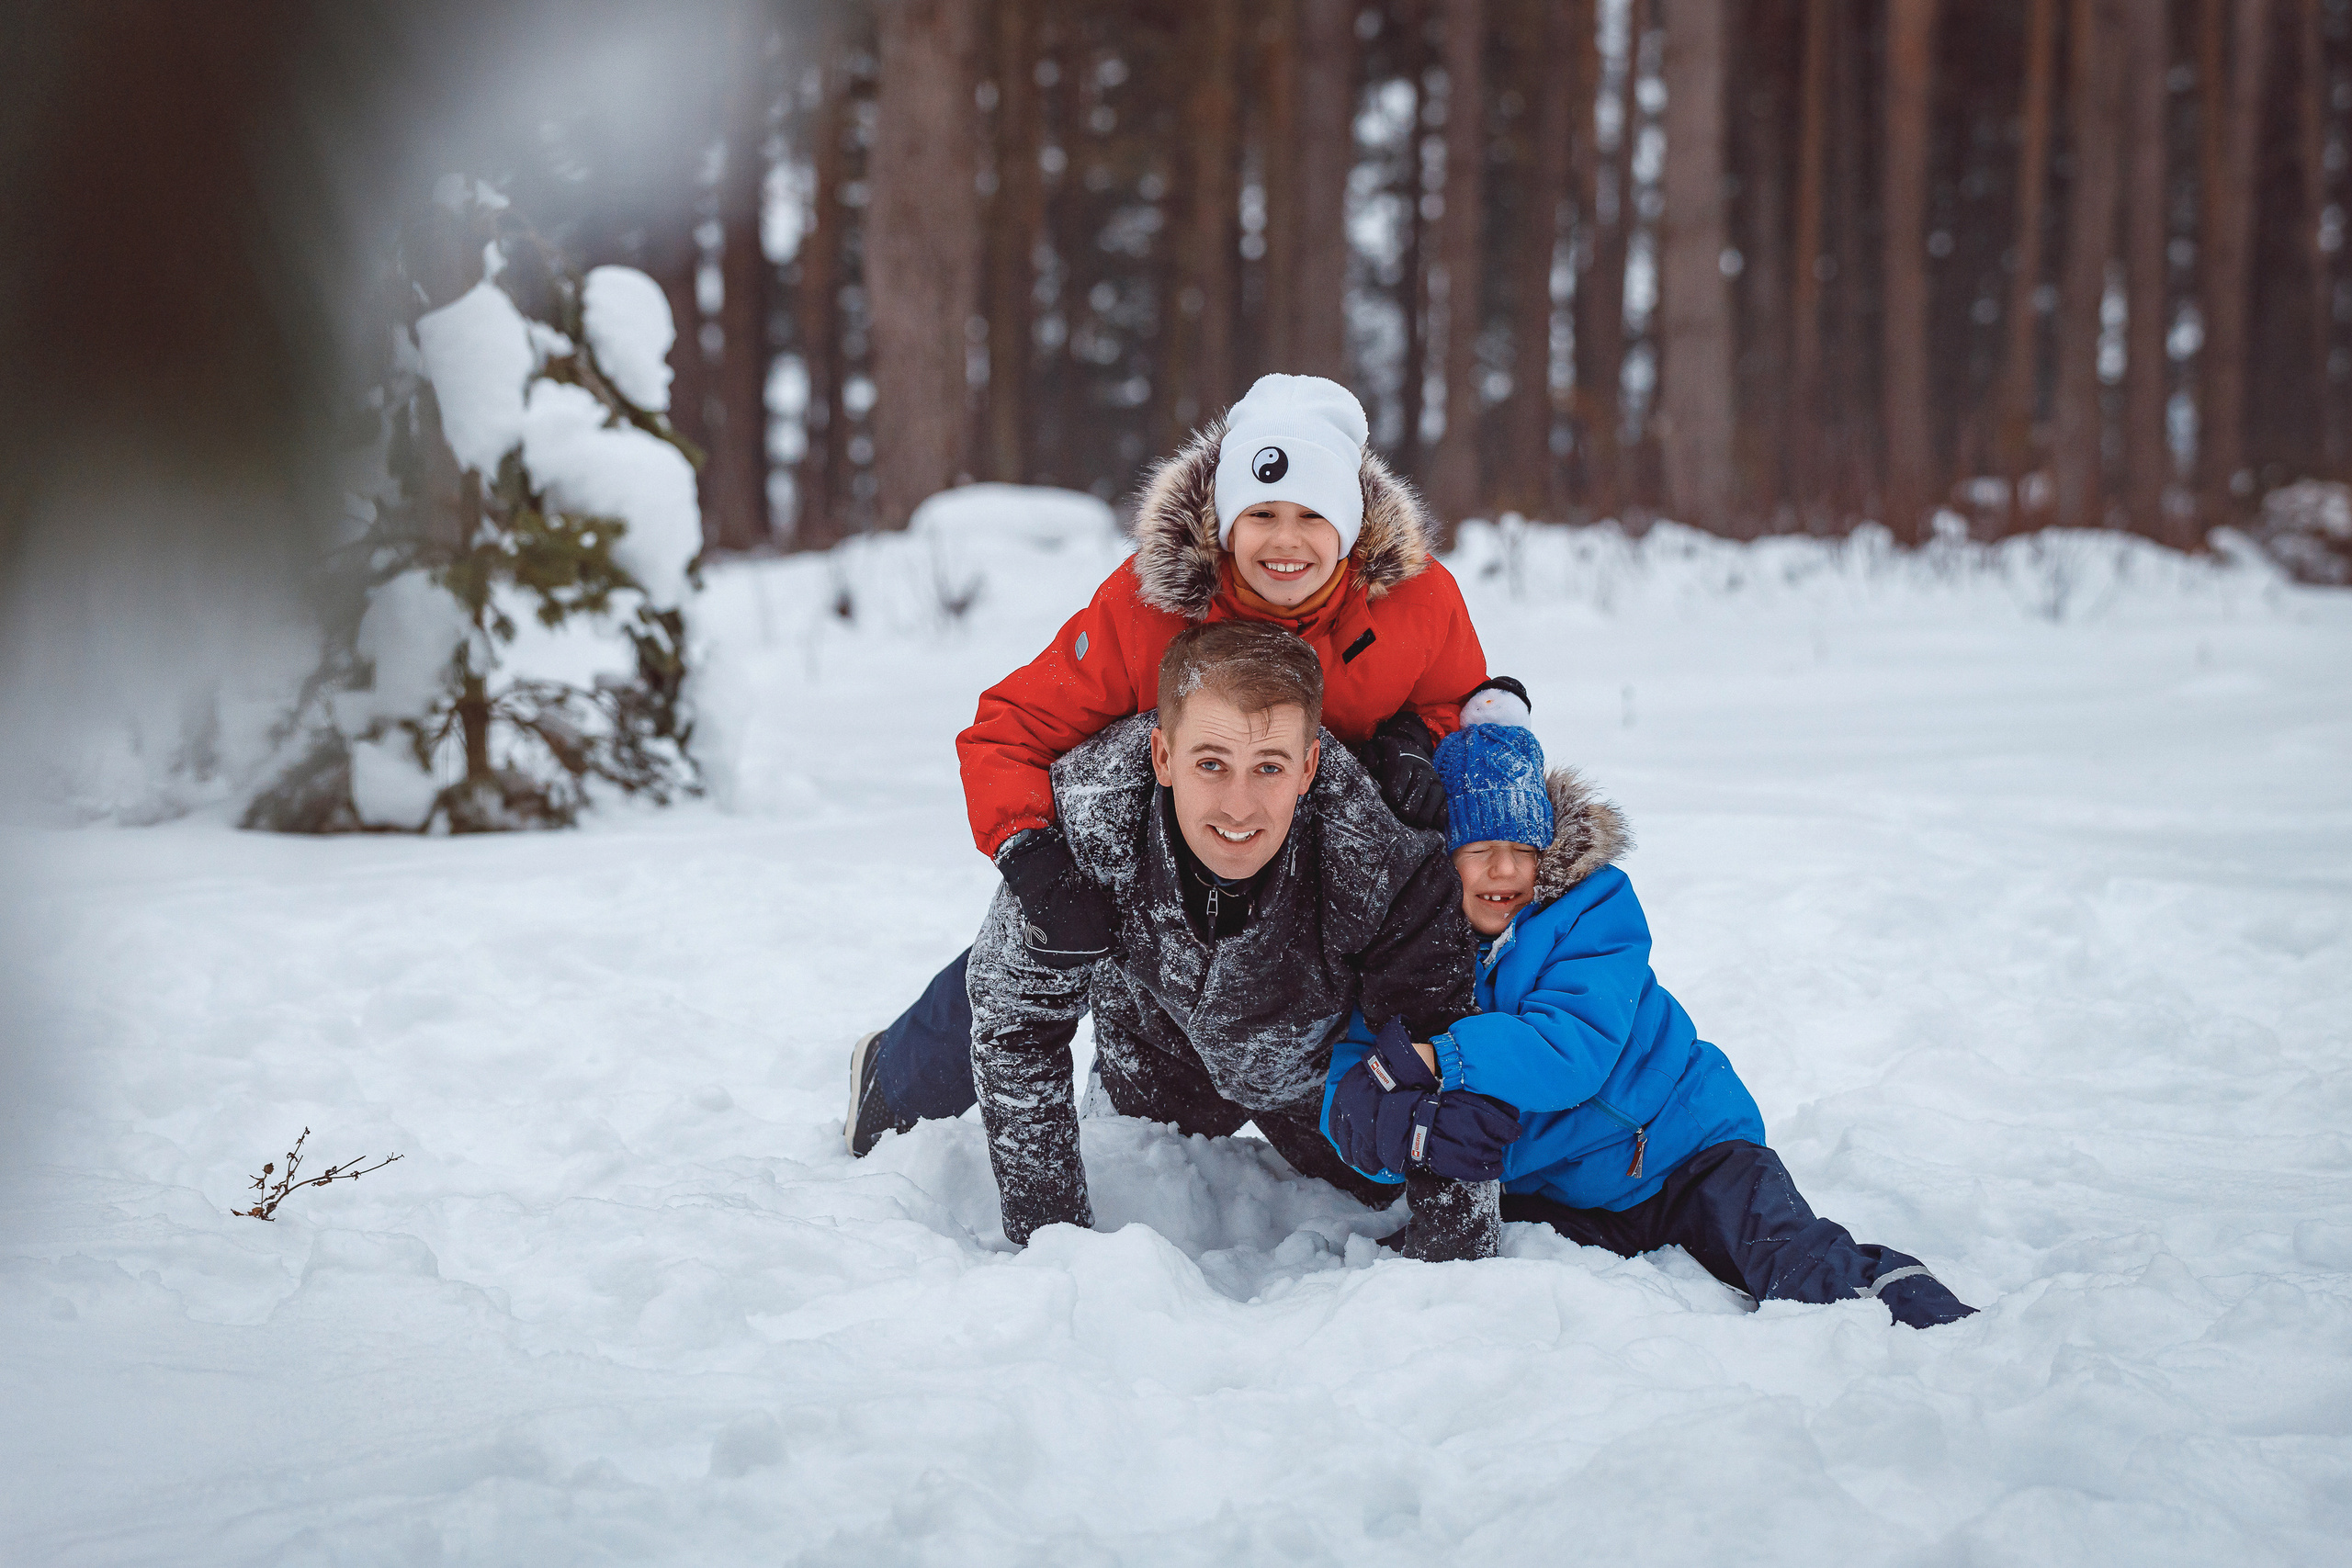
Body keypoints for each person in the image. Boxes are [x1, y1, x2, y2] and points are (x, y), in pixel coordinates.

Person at [848, 373, 1488, 1155]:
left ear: (1352, 526)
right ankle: (894, 1079)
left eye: (1312, 516)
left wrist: (1419, 741)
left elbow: (1462, 701)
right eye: (1261, 514)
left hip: (1310, 846)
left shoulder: (1415, 600)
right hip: (1165, 842)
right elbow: (1009, 730)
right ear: (1225, 518)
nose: (1285, 542)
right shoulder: (1152, 604)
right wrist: (1034, 858)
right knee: (1046, 938)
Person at [1321, 693, 1980, 1327]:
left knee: (1791, 1262)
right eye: (1480, 852)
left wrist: (1440, 1059)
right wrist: (1373, 1110)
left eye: (1524, 850)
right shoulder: (1415, 946)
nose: (1506, 872)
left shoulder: (1593, 913)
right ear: (1443, 860)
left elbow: (1571, 1049)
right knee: (1439, 1271)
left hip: (1685, 1154)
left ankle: (1928, 1319)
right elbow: (1357, 1070)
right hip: (1561, 1189)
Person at [967, 620, 1493, 1250]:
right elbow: (1009, 1017)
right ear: (1163, 756)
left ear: (1308, 765)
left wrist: (1455, 1264)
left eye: (1268, 767)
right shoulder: (1097, 812)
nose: (1239, 807)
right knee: (1136, 1158)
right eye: (1211, 763)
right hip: (1153, 1050)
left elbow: (1442, 1045)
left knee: (1379, 1179)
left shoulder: (1375, 850)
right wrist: (1049, 1241)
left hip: (1317, 1084)